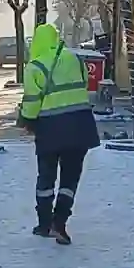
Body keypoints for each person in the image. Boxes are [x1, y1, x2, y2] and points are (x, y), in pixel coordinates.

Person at [17, 23, 100, 245]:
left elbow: (33, 103)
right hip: (80, 125)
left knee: (46, 177)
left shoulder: (35, 66)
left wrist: (25, 119)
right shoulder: (76, 59)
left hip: (50, 129)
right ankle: (60, 223)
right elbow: (85, 87)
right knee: (70, 178)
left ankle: (44, 224)